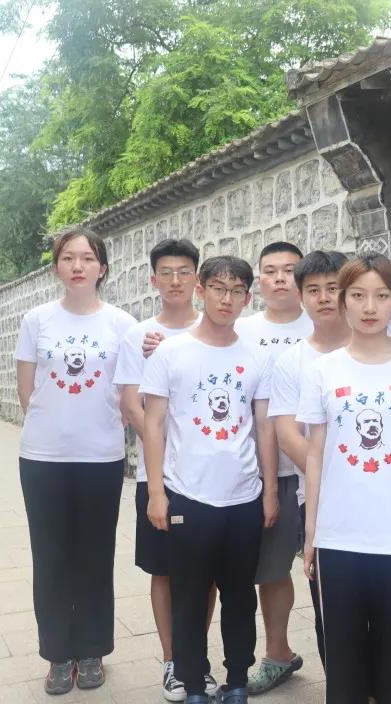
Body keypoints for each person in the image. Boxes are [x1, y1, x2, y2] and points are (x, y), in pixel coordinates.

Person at [297, 253, 391, 704]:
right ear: (343, 301)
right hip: (338, 537)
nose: (369, 307)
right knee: (343, 660)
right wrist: (311, 533)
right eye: (358, 295)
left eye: (381, 296)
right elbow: (316, 454)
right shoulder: (322, 370)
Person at [141, 256, 279, 704]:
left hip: (243, 497)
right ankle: (193, 683)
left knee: (240, 596)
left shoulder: (257, 356)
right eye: (218, 288)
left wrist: (270, 492)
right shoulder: (170, 353)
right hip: (187, 495)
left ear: (248, 297)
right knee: (189, 595)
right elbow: (154, 424)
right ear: (201, 290)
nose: (227, 299)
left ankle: (237, 680)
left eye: (237, 291)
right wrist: (157, 492)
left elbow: (264, 427)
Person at [14, 227, 137, 695]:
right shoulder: (36, 320)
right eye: (68, 257)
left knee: (94, 556)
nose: (78, 265)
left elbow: (129, 392)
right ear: (56, 267)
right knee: (50, 557)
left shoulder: (121, 324)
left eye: (87, 257)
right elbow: (27, 390)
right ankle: (57, 655)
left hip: (100, 457)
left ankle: (91, 651)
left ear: (102, 267)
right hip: (42, 457)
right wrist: (55, 426)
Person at [114, 238, 220, 701]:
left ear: (197, 280)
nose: (175, 281)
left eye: (184, 272)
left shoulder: (217, 329)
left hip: (211, 478)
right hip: (157, 477)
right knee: (164, 570)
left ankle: (198, 659)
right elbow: (131, 405)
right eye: (166, 273)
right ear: (152, 280)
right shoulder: (138, 336)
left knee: (207, 573)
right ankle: (173, 662)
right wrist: (167, 453)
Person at [234, 241, 312, 695]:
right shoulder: (241, 329)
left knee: (296, 569)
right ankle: (277, 653)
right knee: (265, 569)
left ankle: (287, 653)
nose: (280, 277)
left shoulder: (323, 323)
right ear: (257, 281)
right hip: (257, 471)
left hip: (313, 470)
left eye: (289, 269)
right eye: (270, 270)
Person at [267, 250, 351, 668]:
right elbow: (287, 434)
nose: (324, 298)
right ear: (301, 297)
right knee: (330, 607)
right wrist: (334, 479)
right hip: (318, 501)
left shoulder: (384, 349)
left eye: (333, 288)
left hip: (386, 500)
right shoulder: (292, 362)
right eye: (313, 290)